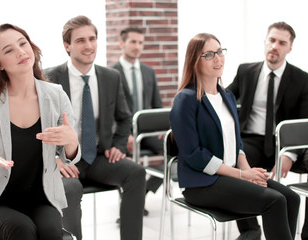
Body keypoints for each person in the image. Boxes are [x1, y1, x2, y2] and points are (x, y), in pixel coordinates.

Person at [170, 32, 300, 240]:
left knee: (291, 198)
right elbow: (194, 155)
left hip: (229, 176)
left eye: (220, 52)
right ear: (195, 60)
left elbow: (236, 143)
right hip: (202, 184)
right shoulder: (185, 100)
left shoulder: (226, 96)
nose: (218, 58)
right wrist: (241, 175)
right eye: (209, 55)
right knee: (275, 201)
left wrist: (248, 172)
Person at [0, 23, 80, 240]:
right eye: (8, 50)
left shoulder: (56, 95)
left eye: (23, 43)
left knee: (52, 232)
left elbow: (68, 157)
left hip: (40, 198)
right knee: (22, 230)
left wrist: (71, 142)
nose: (20, 52)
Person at [44, 15, 146, 240]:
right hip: (64, 160)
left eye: (92, 39)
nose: (88, 45)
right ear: (67, 46)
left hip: (99, 156)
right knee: (71, 189)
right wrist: (53, 160)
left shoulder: (111, 76)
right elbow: (38, 126)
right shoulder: (50, 78)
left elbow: (125, 117)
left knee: (137, 173)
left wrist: (119, 144)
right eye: (80, 40)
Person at [228, 21, 308, 240]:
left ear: (290, 48)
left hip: (285, 144)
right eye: (271, 40)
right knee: (233, 162)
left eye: (282, 42)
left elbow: (303, 123)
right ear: (265, 41)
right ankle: (251, 230)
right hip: (251, 140)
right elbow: (223, 100)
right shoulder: (245, 71)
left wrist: (290, 154)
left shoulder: (302, 79)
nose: (275, 46)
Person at [111, 26, 163, 216]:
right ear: (121, 43)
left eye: (140, 42)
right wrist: (126, 136)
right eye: (133, 42)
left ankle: (143, 191)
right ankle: (129, 208)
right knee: (118, 161)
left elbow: (157, 105)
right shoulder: (111, 73)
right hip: (123, 133)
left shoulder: (149, 72)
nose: (137, 46)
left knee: (178, 150)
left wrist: (162, 129)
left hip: (147, 132)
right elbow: (109, 112)